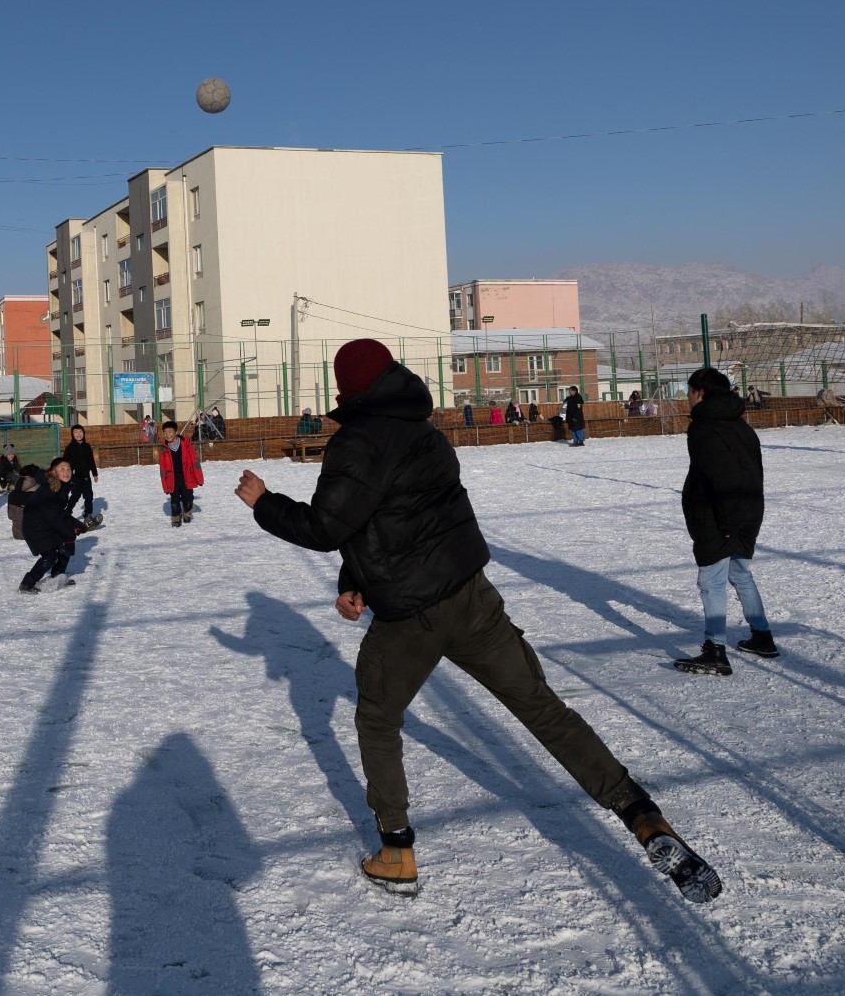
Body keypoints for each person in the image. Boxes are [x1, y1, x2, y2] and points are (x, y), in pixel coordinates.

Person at [234, 339, 720, 903]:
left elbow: (326, 527)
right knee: (544, 710)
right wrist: (354, 581)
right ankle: (641, 813)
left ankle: (395, 849)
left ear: (348, 390)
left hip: (411, 617)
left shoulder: (357, 444)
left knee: (376, 718)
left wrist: (264, 502)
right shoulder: (425, 431)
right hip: (472, 596)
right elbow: (393, 521)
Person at [674, 369, 774, 675]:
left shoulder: (704, 428)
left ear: (701, 392)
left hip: (720, 516)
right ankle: (762, 637)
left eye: (689, 391)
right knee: (740, 573)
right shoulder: (740, 424)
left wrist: (727, 522)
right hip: (749, 510)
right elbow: (752, 472)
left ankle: (715, 650)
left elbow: (720, 475)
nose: (687, 396)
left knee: (711, 580)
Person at [18, 456, 86, 593]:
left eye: (68, 469)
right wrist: (70, 532)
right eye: (62, 469)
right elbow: (54, 517)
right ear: (54, 472)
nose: (67, 472)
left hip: (45, 524)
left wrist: (76, 524)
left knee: (65, 546)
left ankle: (57, 576)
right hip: (35, 528)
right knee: (50, 556)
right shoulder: (50, 490)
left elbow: (59, 514)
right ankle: (27, 584)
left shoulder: (61, 487)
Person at [158, 421, 203, 527]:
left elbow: (195, 461)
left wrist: (199, 478)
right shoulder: (164, 449)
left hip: (186, 476)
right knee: (174, 500)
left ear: (176, 432)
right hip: (172, 478)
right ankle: (176, 517)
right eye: (165, 432)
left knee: (188, 498)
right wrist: (165, 483)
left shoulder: (185, 444)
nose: (167, 435)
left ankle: (187, 511)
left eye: (170, 431)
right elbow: (162, 469)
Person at [62, 424, 101, 524]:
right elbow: (64, 462)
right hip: (75, 477)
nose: (78, 434)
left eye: (80, 432)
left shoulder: (87, 446)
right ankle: (66, 513)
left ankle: (88, 515)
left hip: (86, 476)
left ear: (83, 433)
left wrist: (95, 473)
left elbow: (91, 461)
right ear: (72, 434)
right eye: (76, 432)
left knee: (89, 496)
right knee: (75, 495)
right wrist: (66, 473)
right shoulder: (70, 447)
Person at [6, 462, 43, 541]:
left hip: (17, 534)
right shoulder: (39, 492)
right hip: (35, 534)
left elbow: (10, 516)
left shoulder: (12, 494)